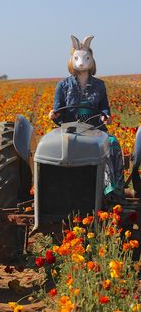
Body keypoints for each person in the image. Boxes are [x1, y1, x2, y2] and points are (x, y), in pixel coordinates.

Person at [49, 35, 125, 198]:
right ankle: (53, 191)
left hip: (94, 129)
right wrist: (54, 114)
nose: (81, 62)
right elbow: (58, 109)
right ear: (72, 60)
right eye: (77, 58)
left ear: (91, 60)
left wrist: (105, 116)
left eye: (86, 58)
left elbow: (104, 107)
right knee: (52, 147)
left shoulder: (99, 85)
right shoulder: (62, 85)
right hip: (69, 130)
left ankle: (112, 190)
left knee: (111, 143)